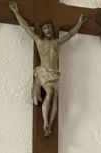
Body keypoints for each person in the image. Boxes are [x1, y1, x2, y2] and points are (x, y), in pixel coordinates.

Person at [9, 1, 86, 135]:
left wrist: (79, 23)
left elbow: (70, 34)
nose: (48, 30)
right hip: (44, 73)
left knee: (55, 97)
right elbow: (25, 27)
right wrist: (16, 12)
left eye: (49, 28)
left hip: (55, 74)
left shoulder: (56, 42)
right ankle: (45, 123)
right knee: (49, 94)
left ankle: (49, 125)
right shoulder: (39, 41)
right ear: (42, 31)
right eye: (45, 28)